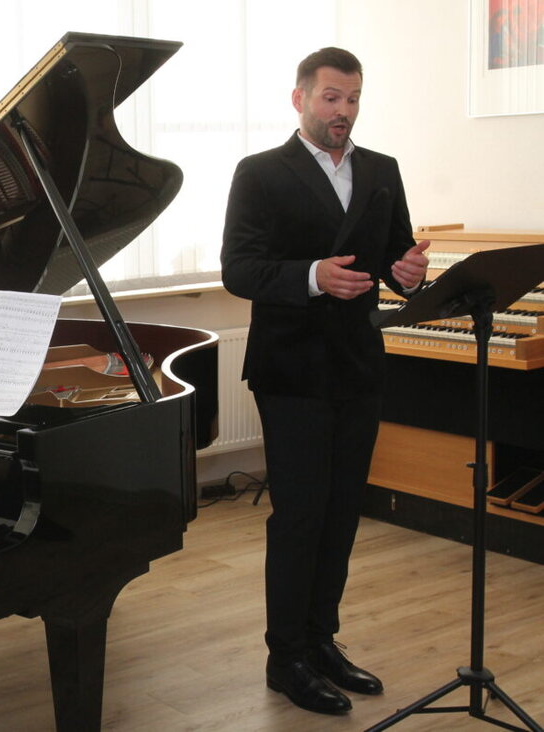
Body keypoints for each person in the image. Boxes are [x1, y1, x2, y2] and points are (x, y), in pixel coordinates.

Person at [220, 47, 430, 716]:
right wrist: (314, 276)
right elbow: (240, 271)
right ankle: (286, 659)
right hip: (292, 371)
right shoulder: (259, 173)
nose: (344, 110)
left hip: (359, 364)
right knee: (301, 518)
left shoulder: (382, 170)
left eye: (353, 98)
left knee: (341, 516)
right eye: (332, 97)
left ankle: (322, 641)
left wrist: (409, 272)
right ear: (300, 99)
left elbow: (396, 255)